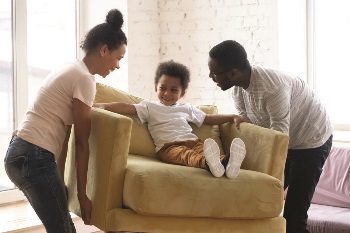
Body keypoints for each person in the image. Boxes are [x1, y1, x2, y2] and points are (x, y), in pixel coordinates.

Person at [4, 9, 127, 233]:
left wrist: (59, 179)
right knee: (63, 229)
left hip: (17, 154)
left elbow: (65, 134)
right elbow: (82, 142)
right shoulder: (84, 79)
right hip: (34, 157)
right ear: (104, 50)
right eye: (118, 58)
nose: (117, 65)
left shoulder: (70, 68)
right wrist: (82, 195)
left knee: (60, 227)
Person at [207, 40, 333, 233]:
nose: (211, 77)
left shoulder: (273, 88)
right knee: (258, 201)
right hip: (286, 141)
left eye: (214, 73)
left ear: (233, 73)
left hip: (311, 142)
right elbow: (253, 130)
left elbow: (278, 139)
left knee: (293, 218)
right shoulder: (239, 92)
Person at [94, 60, 247, 178]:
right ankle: (209, 163)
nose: (167, 93)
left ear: (182, 93)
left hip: (193, 142)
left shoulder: (186, 108)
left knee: (200, 150)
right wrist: (103, 106)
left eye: (173, 90)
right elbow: (126, 107)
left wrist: (232, 116)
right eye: (163, 88)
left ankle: (227, 164)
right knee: (187, 156)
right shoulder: (149, 107)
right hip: (168, 148)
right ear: (156, 87)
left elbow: (208, 118)